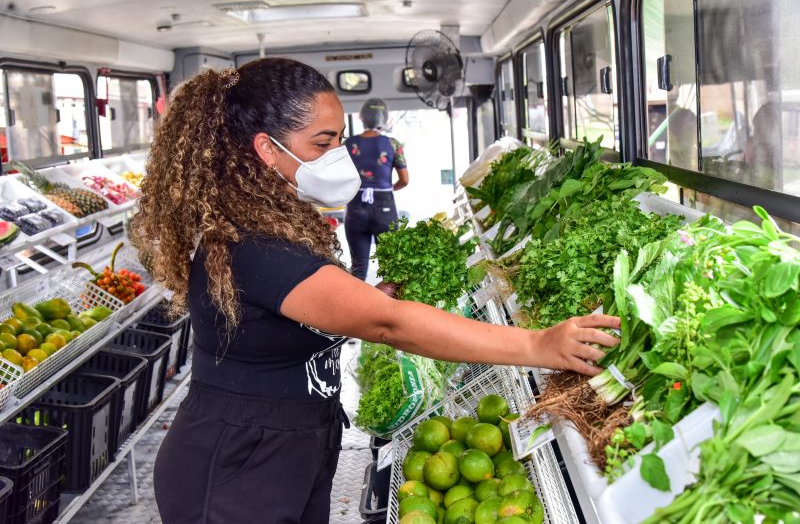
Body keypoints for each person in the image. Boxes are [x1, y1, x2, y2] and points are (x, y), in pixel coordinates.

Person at [133, 57, 619, 524]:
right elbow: (390, 325)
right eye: (322, 143)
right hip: (235, 469)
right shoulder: (254, 247)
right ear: (266, 149)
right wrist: (538, 344)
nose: (339, 157)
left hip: (287, 449)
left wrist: (369, 297)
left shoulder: (273, 226)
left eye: (339, 140)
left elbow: (311, 315)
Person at [344, 98, 409, 281]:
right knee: (391, 269)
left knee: (358, 268)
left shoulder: (349, 144)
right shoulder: (393, 144)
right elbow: (405, 180)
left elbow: (339, 179)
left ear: (362, 118)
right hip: (384, 208)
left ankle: (355, 308)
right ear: (385, 119)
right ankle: (389, 308)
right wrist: (388, 189)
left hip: (356, 207)